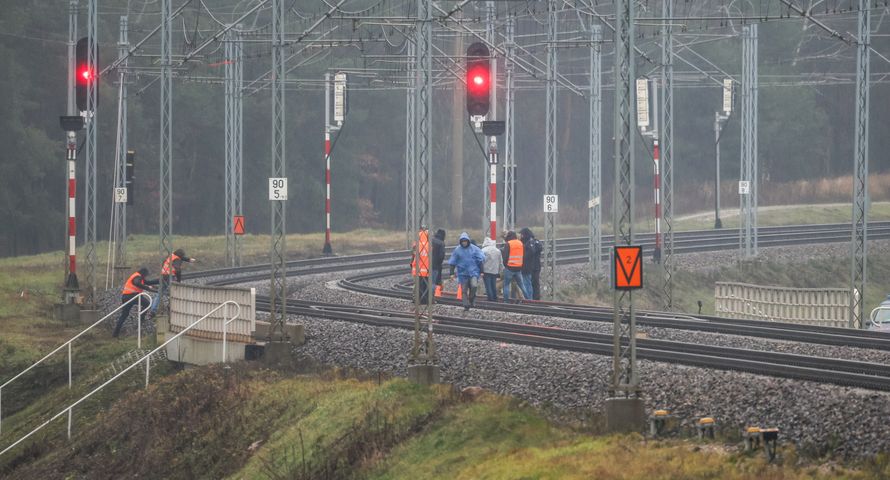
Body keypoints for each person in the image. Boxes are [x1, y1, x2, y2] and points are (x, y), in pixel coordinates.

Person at [114, 267, 157, 338]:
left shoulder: (139, 276)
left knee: (124, 315)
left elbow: (148, 282)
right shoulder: (138, 276)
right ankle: (141, 319)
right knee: (147, 304)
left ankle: (115, 334)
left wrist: (158, 282)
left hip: (126, 297)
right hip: (132, 296)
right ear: (143, 273)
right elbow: (137, 283)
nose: (146, 276)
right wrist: (147, 288)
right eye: (146, 274)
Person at [448, 232, 485, 311]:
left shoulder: (474, 249)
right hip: (462, 274)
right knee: (464, 290)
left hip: (473, 272)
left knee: (474, 286)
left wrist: (482, 271)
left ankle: (471, 298)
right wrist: (451, 273)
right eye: (462, 241)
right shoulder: (457, 250)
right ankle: (466, 305)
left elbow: (480, 260)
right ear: (460, 242)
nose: (464, 243)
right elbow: (452, 262)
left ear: (468, 241)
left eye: (465, 241)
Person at [501, 230, 530, 302]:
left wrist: (505, 265)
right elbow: (523, 256)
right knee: (522, 285)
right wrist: (521, 265)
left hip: (509, 267)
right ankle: (528, 300)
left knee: (506, 285)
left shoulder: (508, 244)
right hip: (518, 268)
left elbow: (505, 256)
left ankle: (506, 301)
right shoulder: (520, 243)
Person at [520, 227, 544, 300]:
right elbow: (540, 248)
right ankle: (536, 299)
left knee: (528, 283)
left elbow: (529, 253)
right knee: (535, 283)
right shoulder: (536, 242)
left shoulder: (528, 243)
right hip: (536, 266)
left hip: (529, 266)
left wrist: (523, 257)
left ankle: (530, 299)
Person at [410, 227, 432, 303]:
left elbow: (413, 255)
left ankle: (416, 299)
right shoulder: (429, 245)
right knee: (426, 285)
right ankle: (425, 299)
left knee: (417, 285)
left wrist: (411, 264)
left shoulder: (416, 244)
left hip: (417, 268)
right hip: (426, 269)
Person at [480, 237, 503, 302]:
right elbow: (500, 261)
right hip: (495, 270)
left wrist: (480, 271)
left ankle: (490, 298)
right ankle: (495, 297)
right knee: (493, 284)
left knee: (488, 285)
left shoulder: (483, 250)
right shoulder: (497, 250)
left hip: (486, 270)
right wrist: (500, 270)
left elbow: (481, 261)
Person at [430, 229, 447, 296]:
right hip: (435, 266)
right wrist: (439, 264)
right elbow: (441, 256)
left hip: (425, 265)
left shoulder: (430, 240)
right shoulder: (441, 243)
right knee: (433, 282)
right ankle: (431, 297)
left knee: (425, 282)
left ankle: (424, 296)